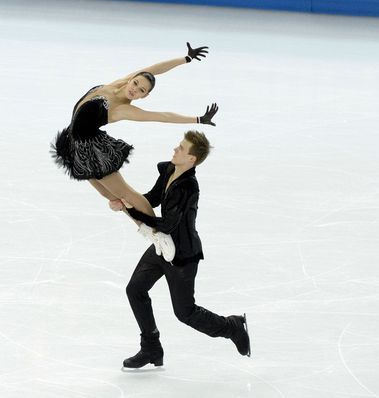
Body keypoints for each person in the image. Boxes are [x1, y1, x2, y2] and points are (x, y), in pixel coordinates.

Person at [114, 130, 251, 369]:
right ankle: (151, 348)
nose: (175, 149)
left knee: (185, 312)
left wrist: (130, 211)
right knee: (135, 289)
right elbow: (154, 198)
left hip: (182, 256)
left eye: (181, 148)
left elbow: (167, 223)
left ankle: (232, 327)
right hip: (162, 246)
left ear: (192, 159)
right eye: (178, 145)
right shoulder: (169, 169)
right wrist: (126, 203)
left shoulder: (189, 187)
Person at [51, 43, 218, 221]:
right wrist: (186, 59)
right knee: (111, 196)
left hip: (90, 151)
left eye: (141, 91)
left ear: (144, 96)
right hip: (73, 143)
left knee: (126, 194)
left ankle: (157, 231)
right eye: (136, 83)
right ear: (132, 78)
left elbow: (163, 116)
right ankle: (146, 229)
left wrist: (198, 119)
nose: (135, 89)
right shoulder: (119, 83)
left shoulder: (124, 109)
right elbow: (154, 69)